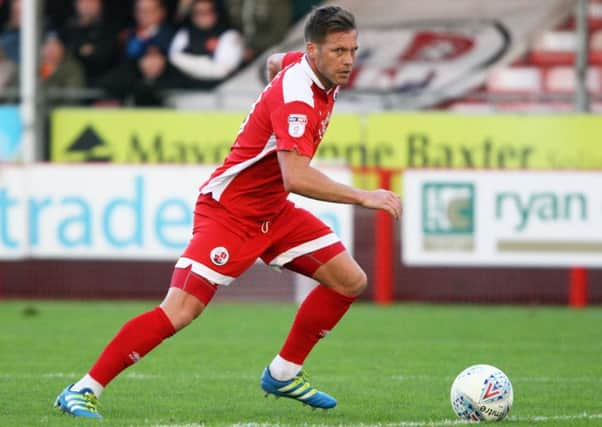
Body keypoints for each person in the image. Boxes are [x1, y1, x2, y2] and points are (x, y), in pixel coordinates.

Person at [54, 5, 402, 419]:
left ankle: (283, 372)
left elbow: (275, 62)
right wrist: (364, 196)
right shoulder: (298, 101)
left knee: (349, 280)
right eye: (339, 51)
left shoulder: (306, 66)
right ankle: (82, 389)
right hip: (230, 212)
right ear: (313, 51)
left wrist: (270, 104)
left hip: (273, 211)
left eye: (353, 50)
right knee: (180, 310)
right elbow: (296, 177)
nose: (348, 60)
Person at [168, 0, 243, 89]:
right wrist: (207, 63)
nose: (203, 16)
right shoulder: (185, 33)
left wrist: (188, 63)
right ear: (192, 15)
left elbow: (222, 71)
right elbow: (173, 57)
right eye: (198, 12)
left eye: (208, 11)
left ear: (216, 12)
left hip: (222, 90)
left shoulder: (231, 34)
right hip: (186, 90)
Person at [60, 0, 119, 87]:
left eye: (92, 1)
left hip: (101, 86)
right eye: (84, 1)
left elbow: (103, 57)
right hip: (69, 84)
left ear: (100, 4)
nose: (88, 5)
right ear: (76, 4)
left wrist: (83, 52)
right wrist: (80, 51)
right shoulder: (67, 29)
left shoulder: (109, 29)